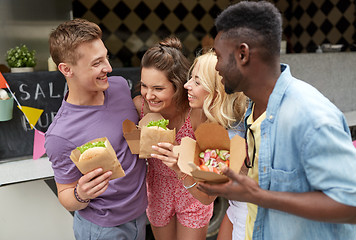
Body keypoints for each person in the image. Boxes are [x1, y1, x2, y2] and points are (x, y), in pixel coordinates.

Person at [197, 1, 356, 239]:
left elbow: (353, 204)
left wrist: (259, 196)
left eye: (219, 56)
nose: (218, 66)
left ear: (242, 54)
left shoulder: (309, 115)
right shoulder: (252, 113)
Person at [45, 19, 147, 240]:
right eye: (96, 63)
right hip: (104, 229)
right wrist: (80, 194)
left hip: (140, 216)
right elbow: (65, 194)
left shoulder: (118, 86)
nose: (108, 68)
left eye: (106, 57)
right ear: (66, 69)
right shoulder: (59, 134)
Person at [151, 50, 249, 240]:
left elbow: (208, 195)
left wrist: (181, 168)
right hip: (236, 207)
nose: (187, 85)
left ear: (217, 90)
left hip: (253, 213)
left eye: (197, 82)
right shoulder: (219, 124)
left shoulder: (233, 134)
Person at [132, 37, 213, 240]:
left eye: (158, 89)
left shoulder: (196, 113)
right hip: (157, 190)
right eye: (144, 86)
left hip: (192, 191)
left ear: (178, 85)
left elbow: (210, 177)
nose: (149, 95)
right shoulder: (138, 106)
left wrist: (182, 160)